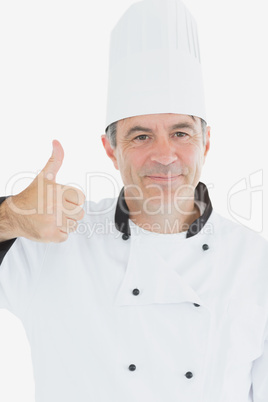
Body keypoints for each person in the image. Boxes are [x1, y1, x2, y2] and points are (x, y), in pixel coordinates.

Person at [0, 0, 268, 401]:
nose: (164, 155)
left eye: (181, 133)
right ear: (111, 150)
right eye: (141, 136)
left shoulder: (255, 264)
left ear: (206, 143)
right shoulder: (48, 241)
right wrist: (9, 217)